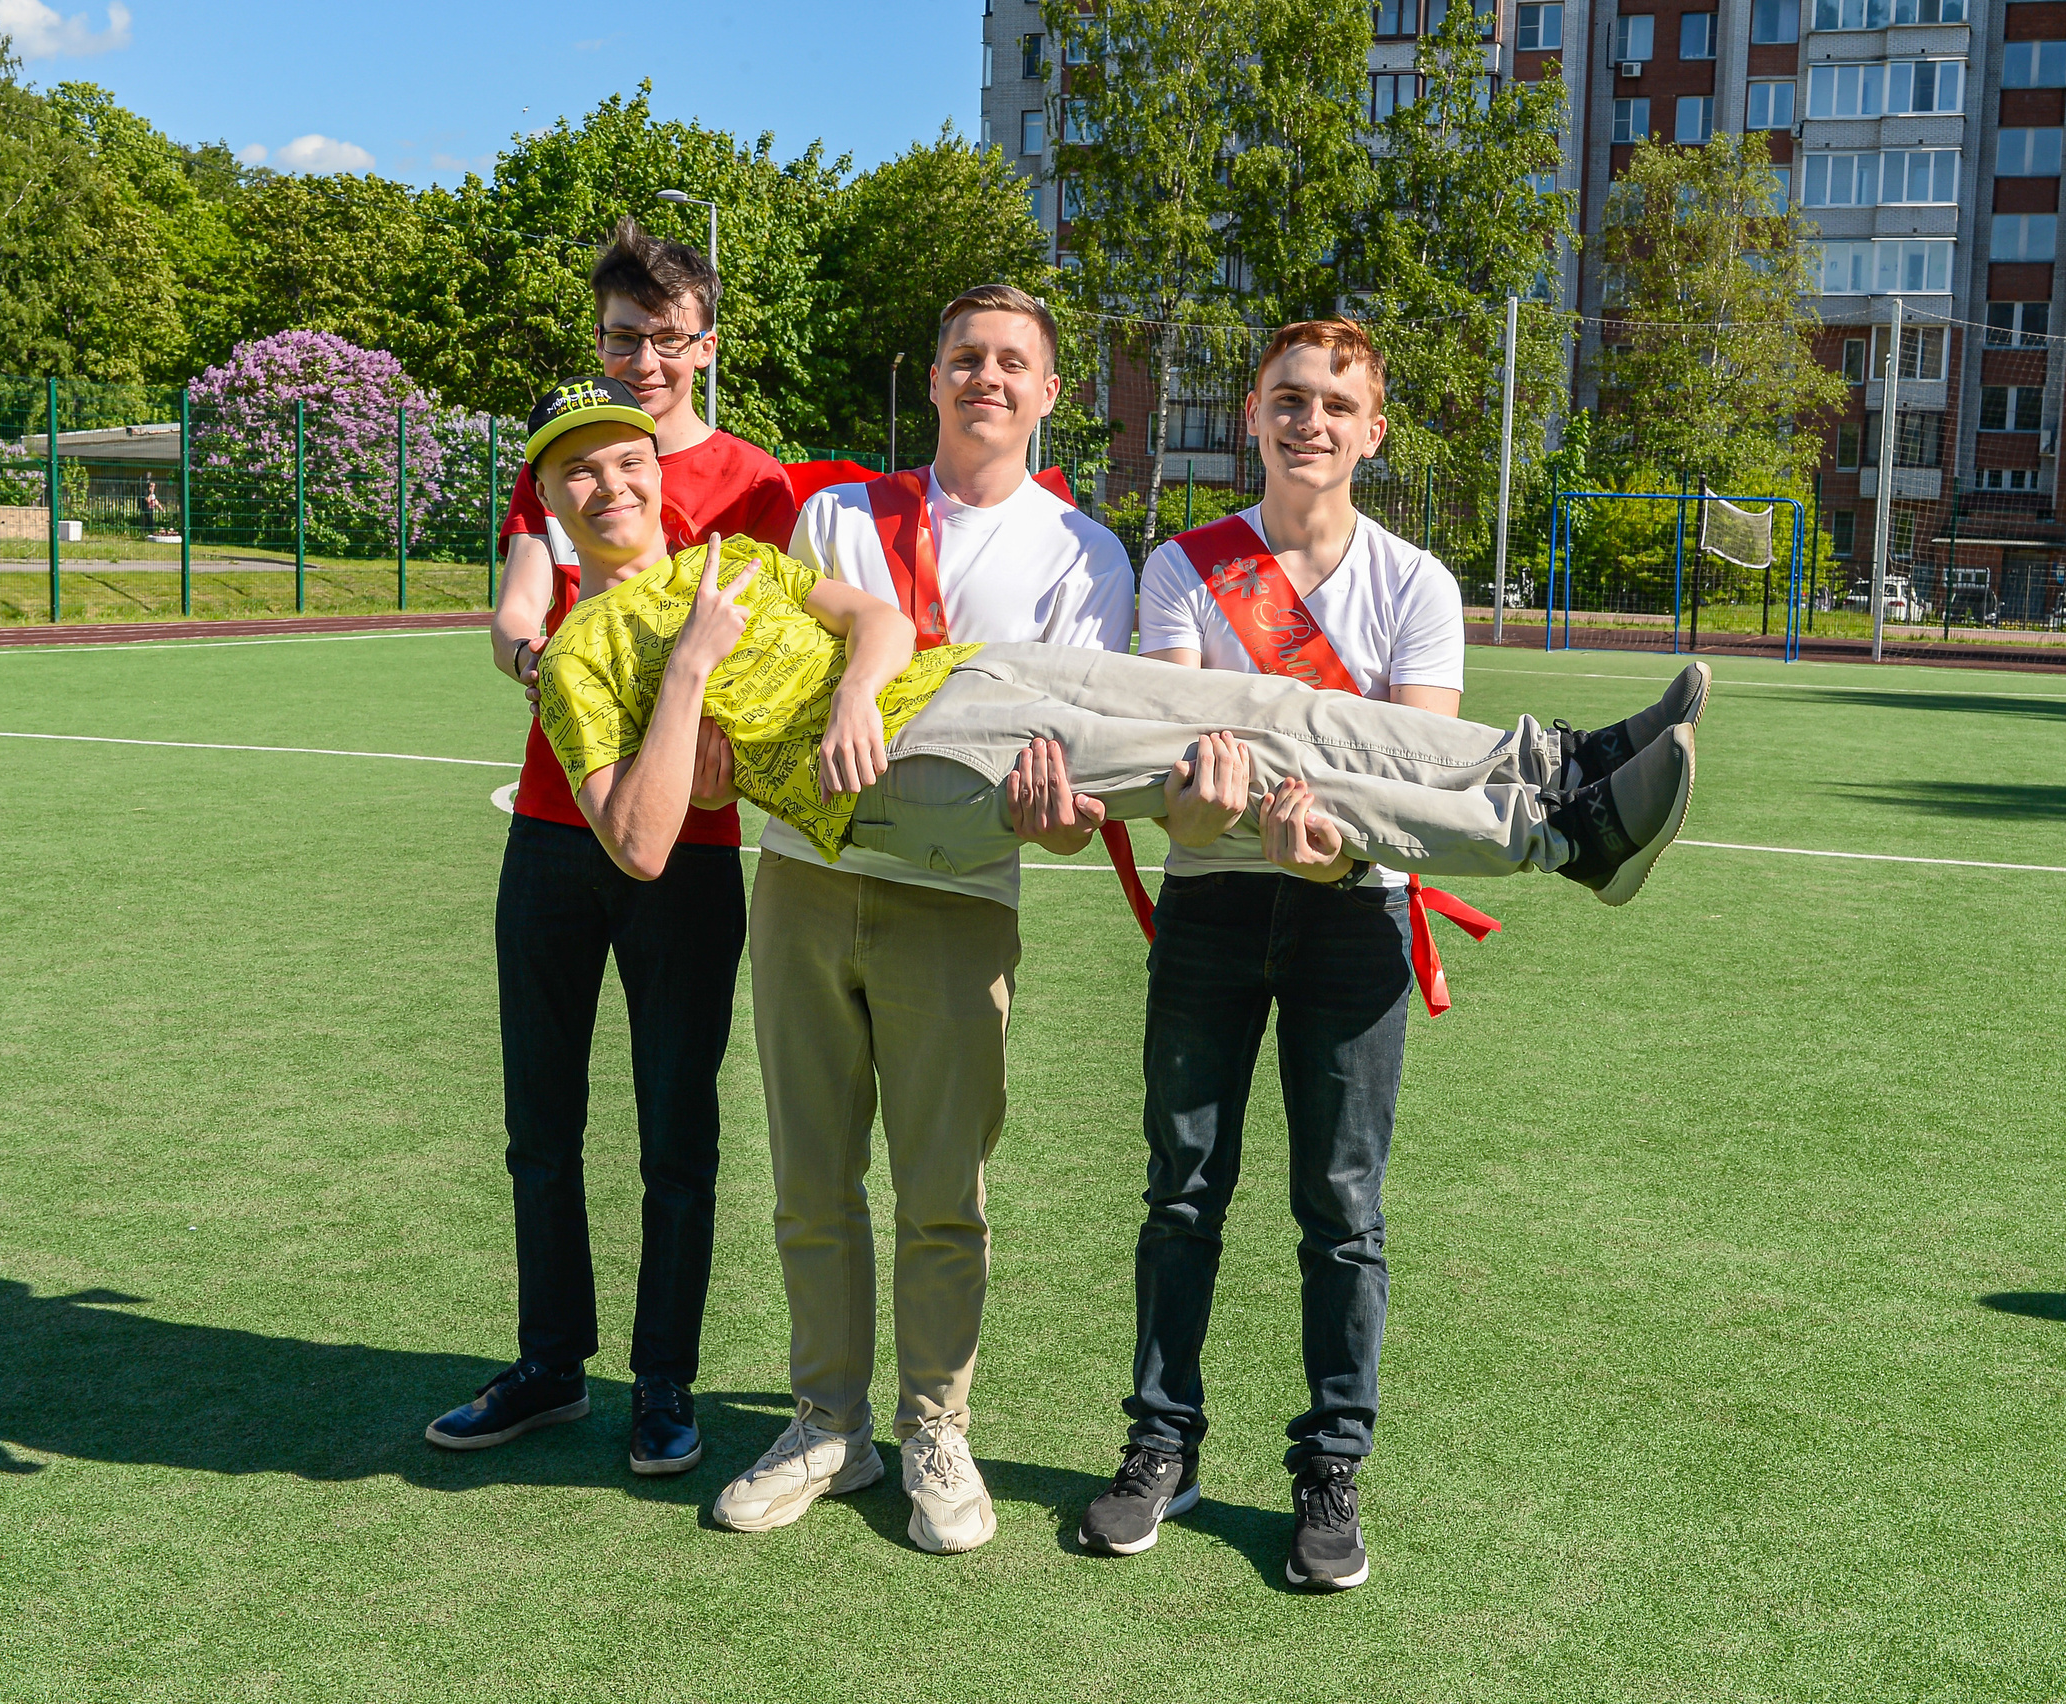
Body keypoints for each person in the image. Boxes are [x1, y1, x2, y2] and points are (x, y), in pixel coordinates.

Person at [1062, 318, 1709, 1589]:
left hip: (1354, 905)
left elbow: (1404, 779)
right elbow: (1179, 786)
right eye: (1288, 399)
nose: (1310, 422)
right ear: (1250, 413)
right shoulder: (1183, 568)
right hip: (1210, 904)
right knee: (1181, 1194)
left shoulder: (1414, 581)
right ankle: (1160, 1446)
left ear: (1372, 433)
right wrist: (1271, 806)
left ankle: (1328, 1468)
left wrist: (1318, 825)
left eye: (1335, 405)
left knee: (1342, 1213)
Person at [521, 361, 1700, 978]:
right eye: (579, 474)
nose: (610, 484)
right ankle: (1563, 839)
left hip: (960, 679)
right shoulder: (578, 655)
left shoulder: (731, 554)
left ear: (651, 468)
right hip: (908, 782)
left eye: (625, 460)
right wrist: (686, 680)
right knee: (1249, 755)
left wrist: (841, 697)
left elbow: (875, 625)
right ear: (551, 496)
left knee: (1273, 702)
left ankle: (1556, 761)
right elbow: (638, 840)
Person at [709, 284, 1135, 1555]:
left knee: (942, 1188)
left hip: (958, 902)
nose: (985, 378)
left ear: (1050, 395)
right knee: (810, 1174)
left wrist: (1061, 813)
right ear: (934, 377)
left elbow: (1076, 804)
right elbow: (770, 677)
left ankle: (934, 1427)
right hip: (802, 875)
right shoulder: (838, 515)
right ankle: (825, 1426)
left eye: (1013, 363)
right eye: (965, 357)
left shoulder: (1084, 556)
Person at [423, 220, 793, 1479]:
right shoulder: (563, 459)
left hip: (690, 846)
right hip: (549, 828)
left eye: (664, 336)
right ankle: (547, 1363)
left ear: (704, 343)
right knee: (541, 1120)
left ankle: (665, 1381)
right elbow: (517, 610)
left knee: (677, 1126)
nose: (641, 357)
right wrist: (545, 658)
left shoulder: (756, 484)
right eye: (620, 335)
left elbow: (779, 654)